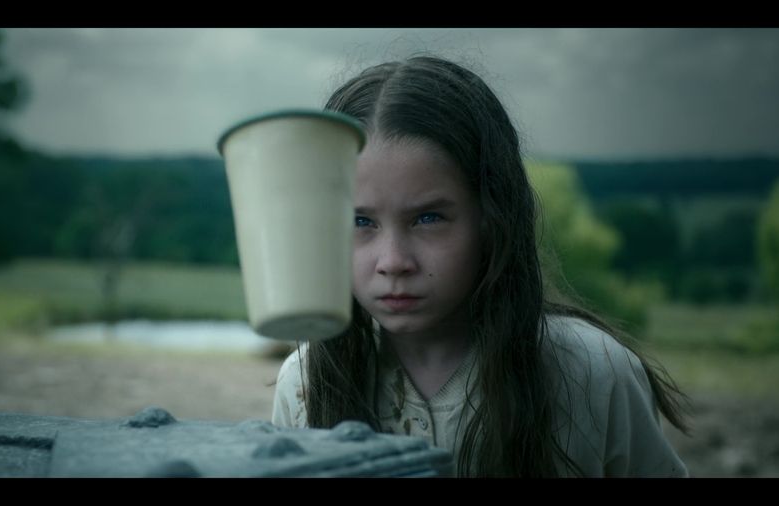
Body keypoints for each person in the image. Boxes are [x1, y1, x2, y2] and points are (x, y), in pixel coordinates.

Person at [271, 55, 690, 477]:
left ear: (492, 217)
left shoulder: (594, 372)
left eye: (428, 218)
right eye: (360, 221)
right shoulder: (307, 383)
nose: (394, 261)